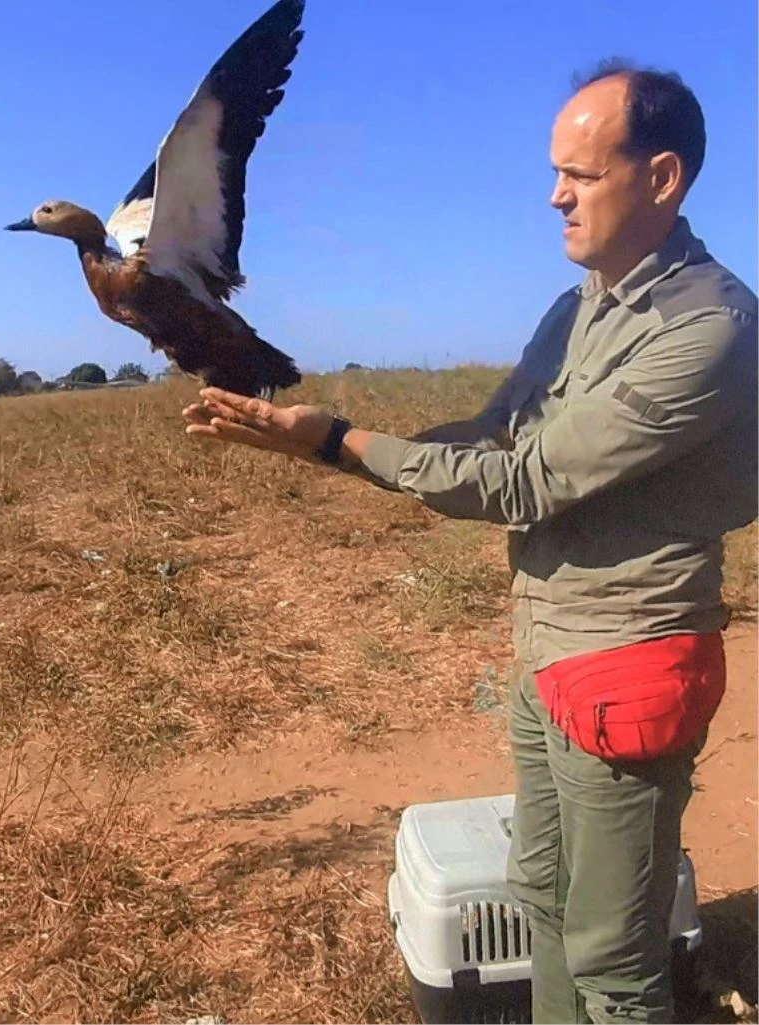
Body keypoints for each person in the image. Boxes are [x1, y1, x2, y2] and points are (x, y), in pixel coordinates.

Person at [182, 60, 758, 1024]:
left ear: (662, 179)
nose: (555, 194)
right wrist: (325, 443)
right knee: (543, 897)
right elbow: (492, 437)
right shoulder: (572, 311)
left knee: (616, 959)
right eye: (555, 171)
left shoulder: (712, 328)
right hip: (546, 650)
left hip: (631, 659)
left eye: (582, 174)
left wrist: (336, 439)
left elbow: (525, 479)